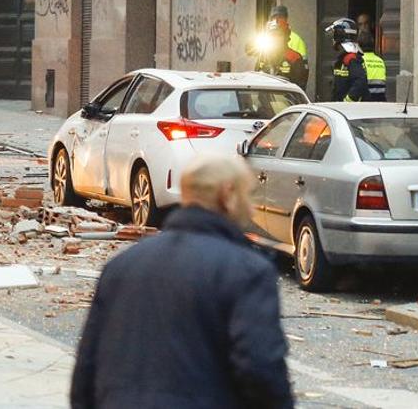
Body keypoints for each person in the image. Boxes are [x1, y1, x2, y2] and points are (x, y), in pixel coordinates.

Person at [70, 154, 293, 409]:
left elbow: (87, 366)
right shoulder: (247, 271)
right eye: (249, 194)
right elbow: (260, 367)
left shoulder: (123, 265)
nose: (251, 207)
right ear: (228, 194)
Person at [252, 19, 308, 90]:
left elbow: (300, 86)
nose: (274, 39)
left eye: (278, 35)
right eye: (271, 35)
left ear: (286, 36)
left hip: (286, 99)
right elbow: (254, 80)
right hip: (264, 99)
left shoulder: (294, 58)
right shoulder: (263, 57)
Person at [324, 17, 368, 102]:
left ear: (340, 35)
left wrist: (348, 101)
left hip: (350, 110)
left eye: (334, 34)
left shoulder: (351, 58)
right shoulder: (342, 59)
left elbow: (360, 81)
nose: (333, 39)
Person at [357, 31, 388, 102]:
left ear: (359, 45)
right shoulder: (380, 61)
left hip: (364, 102)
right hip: (380, 101)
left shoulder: (359, 61)